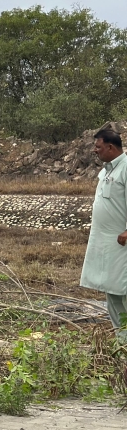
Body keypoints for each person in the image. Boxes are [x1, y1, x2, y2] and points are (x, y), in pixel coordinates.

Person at [80, 127, 127, 343]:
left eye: (98, 147)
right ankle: (123, 343)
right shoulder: (107, 170)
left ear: (110, 146)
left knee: (124, 291)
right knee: (112, 292)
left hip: (121, 245)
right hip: (105, 244)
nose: (94, 151)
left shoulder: (126, 167)